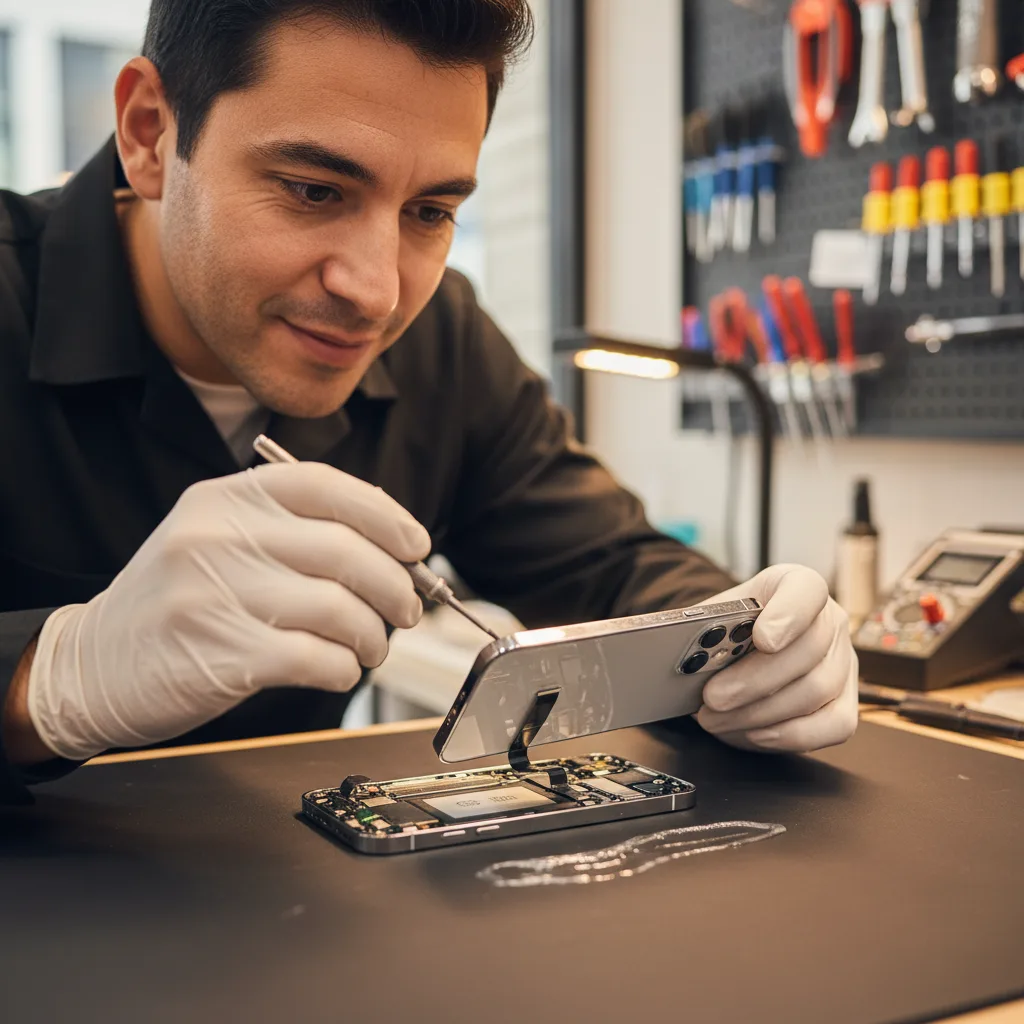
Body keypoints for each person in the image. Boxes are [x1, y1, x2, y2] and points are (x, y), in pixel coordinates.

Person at [0, 0, 857, 806]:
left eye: (430, 210)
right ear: (150, 132)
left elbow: (614, 571)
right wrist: (46, 681)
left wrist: (753, 648)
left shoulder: (440, 341)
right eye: (312, 190)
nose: (375, 292)